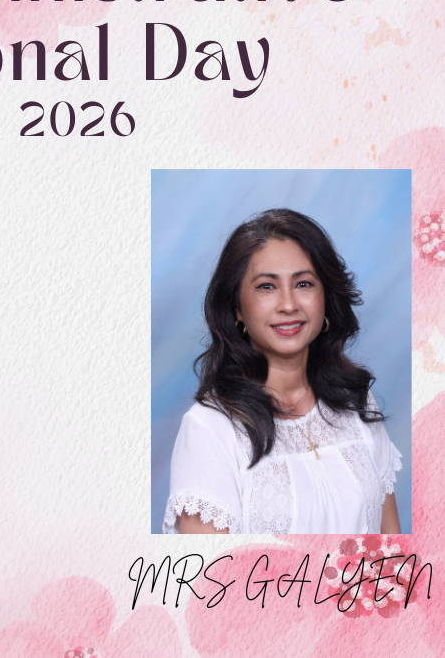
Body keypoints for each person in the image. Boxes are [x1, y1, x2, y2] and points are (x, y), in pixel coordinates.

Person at [163, 209, 401, 535]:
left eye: (303, 283)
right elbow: (207, 581)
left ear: (325, 300)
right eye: (266, 287)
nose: (289, 304)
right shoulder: (209, 427)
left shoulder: (357, 401)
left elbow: (392, 548)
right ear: (237, 310)